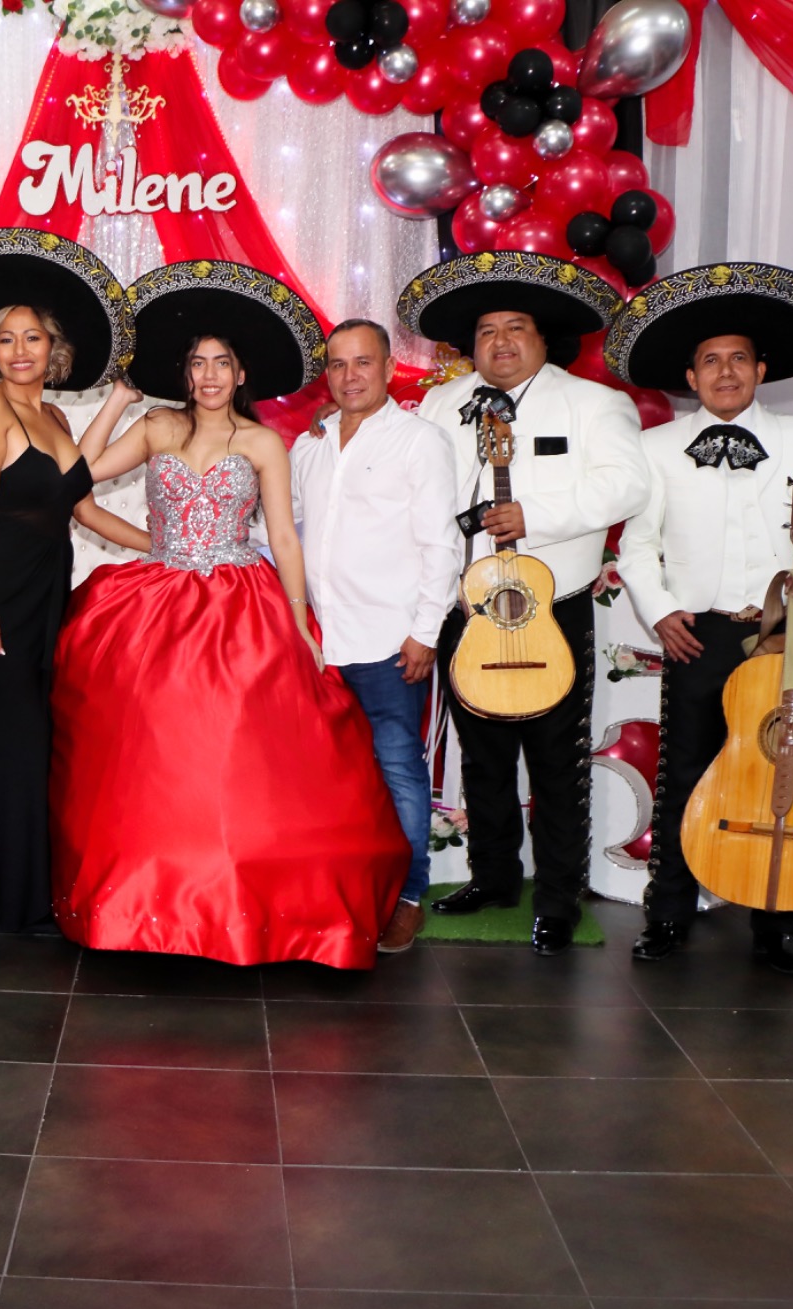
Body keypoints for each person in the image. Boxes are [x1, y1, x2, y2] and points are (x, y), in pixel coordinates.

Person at [52, 260, 411, 970]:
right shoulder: (157, 426)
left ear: (241, 374)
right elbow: (75, 481)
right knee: (154, 754)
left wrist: (301, 623)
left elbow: (283, 538)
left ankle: (244, 899)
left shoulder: (261, 442)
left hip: (240, 601)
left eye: (222, 363)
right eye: (198, 363)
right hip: (157, 600)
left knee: (241, 753)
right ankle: (145, 903)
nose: (210, 375)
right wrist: (116, 402)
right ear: (185, 375)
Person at [609, 262, 793, 976]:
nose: (726, 372)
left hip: (784, 631)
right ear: (691, 377)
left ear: (761, 369)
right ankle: (667, 913)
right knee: (683, 774)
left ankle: (778, 925)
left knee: (783, 772)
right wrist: (661, 611)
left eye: (739, 359)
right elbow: (638, 545)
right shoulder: (657, 447)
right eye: (712, 361)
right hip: (700, 631)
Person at [400, 251, 648, 956]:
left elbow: (628, 485)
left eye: (515, 328)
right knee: (481, 758)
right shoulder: (440, 404)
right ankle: (494, 878)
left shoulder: (593, 403)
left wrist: (533, 514)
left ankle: (561, 896)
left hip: (552, 608)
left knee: (555, 760)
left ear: (543, 339)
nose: (500, 342)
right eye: (486, 331)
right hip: (466, 608)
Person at [0, 229, 148, 932]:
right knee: (5, 747)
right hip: (1, 596)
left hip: (47, 598)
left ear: (55, 350)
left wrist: (169, 548)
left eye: (33, 338)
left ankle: (26, 890)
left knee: (33, 745)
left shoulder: (49, 415)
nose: (20, 350)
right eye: (7, 340)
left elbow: (83, 504)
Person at [292, 318, 460, 954]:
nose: (350, 376)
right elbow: (289, 532)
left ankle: (408, 898)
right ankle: (339, 890)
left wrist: (425, 632)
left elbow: (441, 544)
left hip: (390, 642)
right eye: (338, 364)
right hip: (318, 644)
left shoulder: (419, 442)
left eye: (363, 362)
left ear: (389, 369)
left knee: (399, 773)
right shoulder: (308, 446)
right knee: (326, 776)